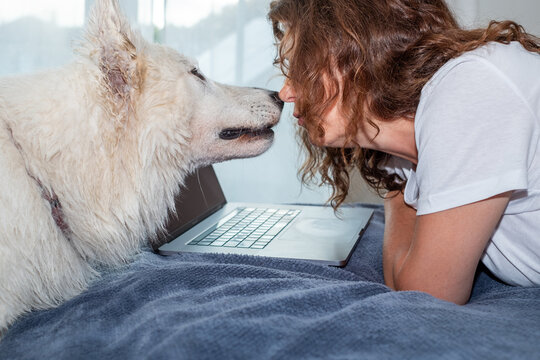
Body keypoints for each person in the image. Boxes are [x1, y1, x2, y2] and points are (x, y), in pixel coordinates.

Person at [268, 0, 540, 304]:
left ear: (356, 57)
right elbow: (408, 283)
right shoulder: (408, 152)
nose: (285, 93)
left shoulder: (472, 87)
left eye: (301, 68)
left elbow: (429, 294)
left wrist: (398, 193)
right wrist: (401, 183)